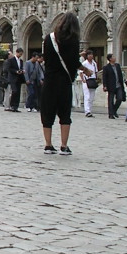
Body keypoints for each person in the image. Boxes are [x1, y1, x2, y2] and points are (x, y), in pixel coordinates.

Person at [39, 12, 82, 154]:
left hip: (49, 80)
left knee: (47, 113)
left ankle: (48, 145)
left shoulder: (48, 39)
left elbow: (46, 59)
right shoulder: (73, 40)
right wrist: (85, 69)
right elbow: (74, 62)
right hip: (64, 81)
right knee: (64, 114)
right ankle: (64, 145)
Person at [102, 53, 125, 119]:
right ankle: (111, 114)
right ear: (110, 59)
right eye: (113, 57)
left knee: (120, 98)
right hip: (111, 85)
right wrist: (105, 85)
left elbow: (120, 75)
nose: (115, 58)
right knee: (110, 100)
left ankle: (114, 110)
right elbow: (104, 77)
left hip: (118, 85)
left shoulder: (117, 66)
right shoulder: (106, 67)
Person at [3, 47, 26, 112]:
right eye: (20, 54)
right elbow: (9, 69)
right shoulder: (11, 60)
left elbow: (20, 67)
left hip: (19, 78)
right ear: (17, 52)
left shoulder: (21, 61)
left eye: (21, 54)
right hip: (13, 78)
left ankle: (16, 106)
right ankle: (12, 105)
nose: (20, 55)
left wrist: (22, 71)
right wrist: (16, 71)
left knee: (18, 92)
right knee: (14, 91)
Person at [79, 50, 98, 117]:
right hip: (86, 80)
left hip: (92, 80)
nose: (91, 56)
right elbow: (81, 72)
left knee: (92, 97)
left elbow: (96, 72)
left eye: (91, 54)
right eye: (89, 54)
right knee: (87, 96)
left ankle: (90, 109)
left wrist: (96, 79)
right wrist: (83, 80)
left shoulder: (94, 63)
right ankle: (87, 111)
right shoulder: (85, 63)